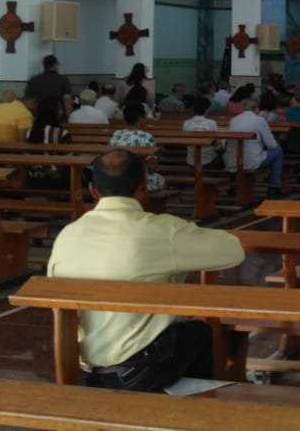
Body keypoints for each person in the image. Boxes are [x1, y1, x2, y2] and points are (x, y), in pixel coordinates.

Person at [47, 149, 244, 392]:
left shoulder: (68, 234)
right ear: (144, 187)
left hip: (84, 370)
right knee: (198, 332)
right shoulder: (162, 230)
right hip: (138, 372)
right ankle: (193, 413)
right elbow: (234, 251)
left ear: (93, 191)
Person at [227, 96, 284, 198]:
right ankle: (274, 186)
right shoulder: (259, 120)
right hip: (252, 160)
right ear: (256, 108)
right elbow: (272, 145)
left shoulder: (233, 120)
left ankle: (234, 184)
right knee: (278, 151)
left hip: (234, 160)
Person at [110, 102, 166, 192]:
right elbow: (152, 167)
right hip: (138, 181)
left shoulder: (116, 135)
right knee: (160, 179)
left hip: (117, 178)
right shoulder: (146, 137)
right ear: (140, 119)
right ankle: (153, 205)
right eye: (145, 117)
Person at [25, 96, 72, 189]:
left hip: (32, 178)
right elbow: (69, 159)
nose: (61, 111)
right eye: (59, 108)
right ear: (54, 112)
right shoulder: (62, 133)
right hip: (55, 180)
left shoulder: (30, 132)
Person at [24, 55, 72, 120]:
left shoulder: (34, 80)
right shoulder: (63, 79)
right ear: (55, 65)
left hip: (39, 117)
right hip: (57, 117)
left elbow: (28, 101)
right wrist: (68, 117)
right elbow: (67, 100)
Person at [182, 97, 224, 169]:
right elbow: (218, 145)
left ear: (193, 109)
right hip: (209, 161)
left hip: (191, 161)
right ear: (206, 109)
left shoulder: (186, 123)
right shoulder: (211, 123)